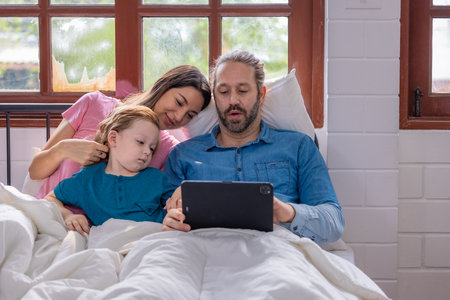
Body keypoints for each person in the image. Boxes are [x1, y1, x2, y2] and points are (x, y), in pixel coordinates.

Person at [162, 50, 344, 243]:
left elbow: (334, 222)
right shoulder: (182, 155)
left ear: (261, 94)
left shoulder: (299, 147)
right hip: (200, 251)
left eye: (242, 91)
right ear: (215, 97)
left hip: (277, 253)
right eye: (224, 92)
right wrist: (170, 221)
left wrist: (287, 212)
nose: (233, 100)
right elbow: (162, 220)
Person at [29, 65, 211, 202]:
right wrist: (64, 149)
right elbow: (35, 171)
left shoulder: (169, 150)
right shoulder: (94, 104)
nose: (179, 117)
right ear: (163, 85)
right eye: (179, 102)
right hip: (50, 213)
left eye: (190, 115)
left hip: (103, 230)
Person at [44, 105, 175, 235]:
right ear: (113, 138)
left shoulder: (157, 179)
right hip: (109, 242)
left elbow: (179, 204)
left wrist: (175, 209)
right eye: (140, 142)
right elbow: (50, 198)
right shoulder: (88, 179)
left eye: (152, 148)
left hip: (152, 239)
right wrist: (68, 216)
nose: (147, 151)